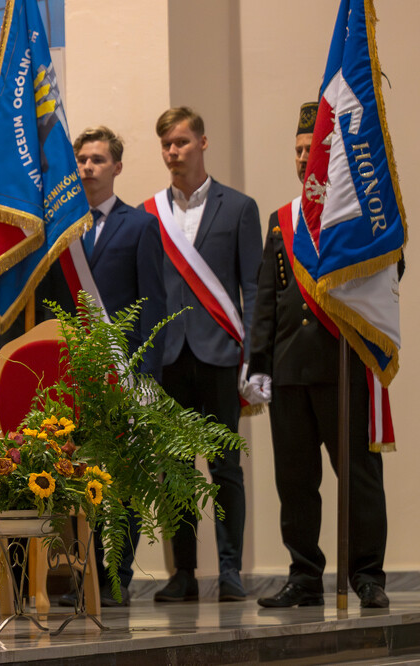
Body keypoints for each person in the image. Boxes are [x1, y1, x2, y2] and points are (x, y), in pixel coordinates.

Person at [249, 102, 389, 609]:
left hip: (342, 364)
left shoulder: (359, 218)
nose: (303, 157)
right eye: (298, 150)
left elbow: (390, 275)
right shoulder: (281, 220)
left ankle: (368, 575)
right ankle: (304, 575)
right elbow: (266, 299)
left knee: (358, 478)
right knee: (296, 481)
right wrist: (257, 365)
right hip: (288, 371)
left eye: (312, 149)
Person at [34, 126, 166, 607]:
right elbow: (51, 303)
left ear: (117, 167)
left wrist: (144, 376)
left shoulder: (140, 225)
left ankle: (118, 577)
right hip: (73, 375)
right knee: (73, 475)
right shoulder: (63, 229)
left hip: (123, 373)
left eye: (97, 160)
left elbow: (152, 303)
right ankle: (78, 575)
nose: (88, 167)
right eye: (82, 160)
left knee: (123, 483)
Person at [143, 107, 262, 602]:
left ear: (203, 143)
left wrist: (254, 358)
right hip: (169, 359)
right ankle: (184, 573)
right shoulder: (149, 214)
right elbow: (144, 294)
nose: (174, 152)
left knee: (225, 467)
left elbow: (253, 289)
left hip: (219, 355)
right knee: (173, 470)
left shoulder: (239, 208)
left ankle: (231, 571)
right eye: (167, 144)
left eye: (182, 143)